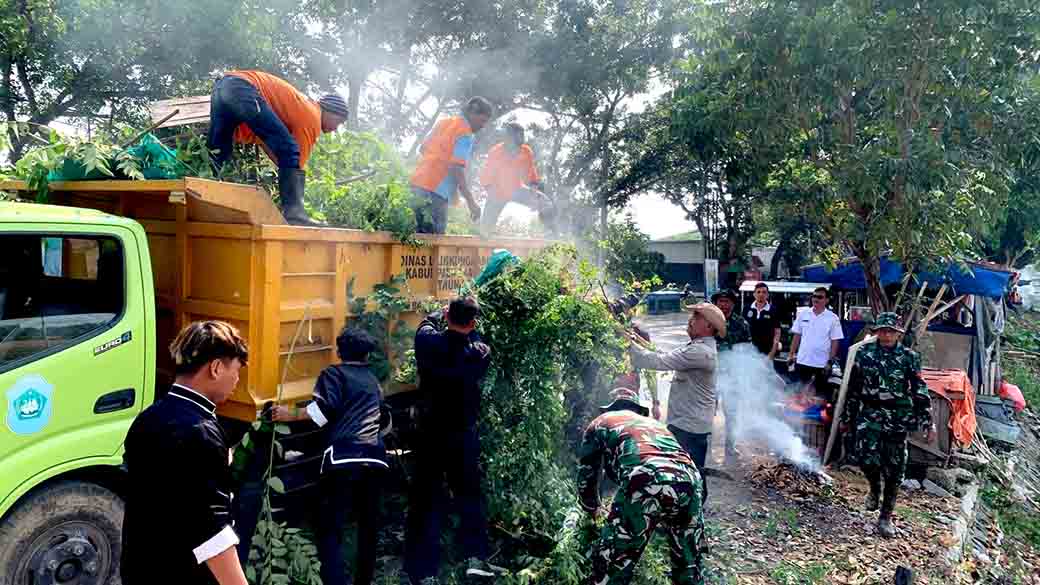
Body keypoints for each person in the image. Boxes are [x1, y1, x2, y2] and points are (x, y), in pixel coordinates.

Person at [121, 321, 250, 585]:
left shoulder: (148, 418)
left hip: (140, 568)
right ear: (215, 368)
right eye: (236, 370)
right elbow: (212, 532)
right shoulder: (201, 432)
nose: (237, 380)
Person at [272, 327, 390, 585]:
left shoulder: (333, 374)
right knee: (368, 527)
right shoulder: (372, 380)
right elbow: (383, 420)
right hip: (377, 459)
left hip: (344, 459)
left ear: (339, 351)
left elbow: (322, 413)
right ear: (367, 355)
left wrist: (289, 414)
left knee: (330, 527)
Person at [404, 297, 496, 583]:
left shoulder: (428, 343)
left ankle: (423, 572)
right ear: (473, 322)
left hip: (430, 434)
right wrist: (465, 323)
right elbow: (474, 337)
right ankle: (475, 558)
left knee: (426, 499)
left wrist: (437, 313)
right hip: (462, 436)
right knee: (468, 494)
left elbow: (424, 326)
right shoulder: (479, 353)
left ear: (447, 315)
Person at [578, 388, 706, 585]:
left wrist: (590, 508)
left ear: (610, 407)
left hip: (645, 476)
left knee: (613, 564)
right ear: (638, 410)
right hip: (690, 479)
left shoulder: (600, 422)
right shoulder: (656, 425)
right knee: (688, 565)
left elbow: (588, 472)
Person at [207, 70, 349, 225]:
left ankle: (211, 204)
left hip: (222, 88)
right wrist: (297, 188)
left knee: (218, 153)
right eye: (339, 122)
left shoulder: (299, 106)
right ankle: (296, 216)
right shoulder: (313, 115)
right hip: (242, 88)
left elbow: (272, 147)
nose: (336, 128)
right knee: (290, 149)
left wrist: (287, 167)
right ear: (332, 112)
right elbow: (294, 158)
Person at [840, 313, 935, 538]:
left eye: (891, 331)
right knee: (865, 458)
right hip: (870, 413)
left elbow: (919, 389)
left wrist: (927, 421)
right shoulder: (864, 354)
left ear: (898, 334)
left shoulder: (909, 357)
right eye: (883, 330)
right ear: (877, 331)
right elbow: (854, 387)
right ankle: (874, 487)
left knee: (895, 469)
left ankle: (885, 517)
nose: (886, 334)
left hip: (897, 416)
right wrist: (847, 417)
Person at [627, 302, 724, 501]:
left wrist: (626, 343)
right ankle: (692, 514)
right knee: (689, 472)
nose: (690, 320)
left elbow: (657, 361)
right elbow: (663, 354)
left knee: (687, 475)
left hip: (689, 426)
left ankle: (692, 517)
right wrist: (635, 339)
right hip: (688, 422)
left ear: (708, 327)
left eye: (696, 317)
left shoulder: (699, 353)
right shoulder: (697, 348)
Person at [410, 97, 493, 234]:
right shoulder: (465, 133)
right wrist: (471, 202)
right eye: (482, 120)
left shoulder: (443, 122)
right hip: (435, 193)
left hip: (416, 185)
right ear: (472, 114)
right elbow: (456, 168)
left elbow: (423, 148)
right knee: (433, 244)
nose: (483, 126)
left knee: (412, 238)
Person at [477, 123, 548, 236]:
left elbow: (531, 175)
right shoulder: (496, 152)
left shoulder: (526, 151)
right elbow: (486, 179)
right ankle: (485, 238)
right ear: (508, 137)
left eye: (522, 137)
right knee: (485, 229)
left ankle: (550, 235)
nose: (522, 140)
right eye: (518, 137)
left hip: (517, 189)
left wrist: (534, 198)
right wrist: (493, 199)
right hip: (497, 192)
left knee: (545, 202)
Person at [711, 288, 751, 465]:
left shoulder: (741, 324)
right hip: (710, 374)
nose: (724, 305)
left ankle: (730, 446)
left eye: (728, 301)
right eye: (721, 301)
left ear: (733, 304)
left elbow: (746, 351)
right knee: (707, 411)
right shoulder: (707, 322)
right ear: (716, 303)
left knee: (732, 413)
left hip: (733, 375)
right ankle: (704, 444)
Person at [786, 287, 844, 393]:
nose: (816, 299)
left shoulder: (833, 318)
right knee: (800, 394)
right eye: (814, 296)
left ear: (826, 300)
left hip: (821, 363)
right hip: (803, 361)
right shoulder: (803, 314)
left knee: (819, 395)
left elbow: (835, 341)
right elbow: (797, 336)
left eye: (820, 297)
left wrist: (830, 361)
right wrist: (791, 354)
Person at [745, 282, 781, 361]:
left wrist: (772, 353)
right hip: (750, 351)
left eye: (764, 292)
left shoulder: (773, 310)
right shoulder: (747, 308)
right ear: (754, 294)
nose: (761, 294)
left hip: (767, 351)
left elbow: (777, 332)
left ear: (767, 295)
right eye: (758, 292)